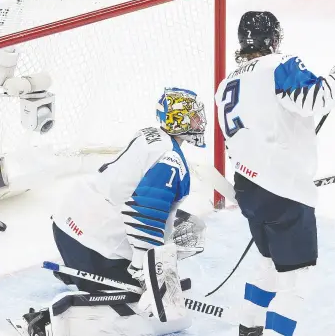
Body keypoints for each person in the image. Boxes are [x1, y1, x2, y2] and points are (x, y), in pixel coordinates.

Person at [215, 11, 335, 336]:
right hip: (282, 190)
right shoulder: (279, 65)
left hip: (248, 189)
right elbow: (316, 98)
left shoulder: (227, 84)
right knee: (296, 280)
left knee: (269, 264)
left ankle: (248, 330)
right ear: (274, 39)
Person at [16, 87, 208, 336]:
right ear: (178, 119)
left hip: (67, 227)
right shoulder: (171, 159)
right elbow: (143, 213)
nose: (199, 121)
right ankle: (47, 322)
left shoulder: (149, 136)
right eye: (193, 116)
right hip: (94, 247)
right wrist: (145, 273)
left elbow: (132, 192)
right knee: (144, 313)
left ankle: (82, 276)